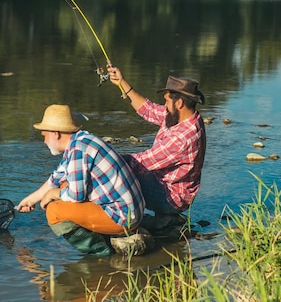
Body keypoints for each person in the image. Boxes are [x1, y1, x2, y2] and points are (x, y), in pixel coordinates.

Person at [17, 104, 145, 256]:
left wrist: (51, 194)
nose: (44, 141)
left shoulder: (78, 151)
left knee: (54, 211)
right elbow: (57, 178)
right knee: (64, 185)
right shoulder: (80, 140)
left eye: (44, 135)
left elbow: (75, 196)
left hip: (124, 217)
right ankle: (106, 236)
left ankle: (102, 252)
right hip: (131, 209)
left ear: (56, 134)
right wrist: (31, 199)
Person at [108, 66, 206, 220]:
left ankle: (120, 221)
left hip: (171, 199)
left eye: (167, 101)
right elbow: (149, 110)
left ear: (179, 103)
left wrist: (105, 160)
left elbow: (141, 162)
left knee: (119, 174)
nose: (164, 105)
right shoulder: (187, 117)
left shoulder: (183, 137)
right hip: (167, 186)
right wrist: (122, 82)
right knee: (118, 169)